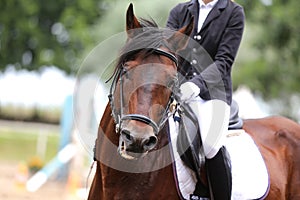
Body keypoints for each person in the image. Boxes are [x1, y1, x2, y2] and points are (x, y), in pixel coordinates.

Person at [166, 0, 245, 199]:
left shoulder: (233, 13)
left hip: (213, 95)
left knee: (210, 144)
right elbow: (167, 50)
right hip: (179, 92)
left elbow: (224, 61)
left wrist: (196, 84)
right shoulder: (179, 11)